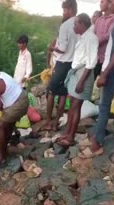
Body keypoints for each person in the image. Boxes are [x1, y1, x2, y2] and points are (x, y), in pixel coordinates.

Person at [79, 0, 114, 159]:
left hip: (113, 69)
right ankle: (97, 137)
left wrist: (104, 73)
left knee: (103, 107)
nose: (109, 3)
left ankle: (97, 145)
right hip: (111, 67)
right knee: (103, 105)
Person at [56, 14, 99, 146]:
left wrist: (81, 81)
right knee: (73, 105)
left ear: (82, 24)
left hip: (83, 74)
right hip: (77, 73)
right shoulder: (83, 37)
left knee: (75, 107)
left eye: (75, 24)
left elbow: (91, 62)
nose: (74, 26)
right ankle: (68, 133)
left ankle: (70, 137)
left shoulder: (91, 38)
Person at [0, 63, 29, 167]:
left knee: (1, 127)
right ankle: (5, 147)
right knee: (7, 123)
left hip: (19, 103)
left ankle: (1, 156)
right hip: (22, 99)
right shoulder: (2, 74)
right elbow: (5, 97)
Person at [44, 0, 78, 131]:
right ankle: (56, 122)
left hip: (63, 63)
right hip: (73, 64)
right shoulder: (80, 23)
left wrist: (52, 48)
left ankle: (48, 121)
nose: (63, 13)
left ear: (70, 9)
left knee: (51, 92)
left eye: (64, 10)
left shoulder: (66, 25)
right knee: (63, 93)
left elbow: (62, 49)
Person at [93, 0, 114, 81]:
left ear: (109, 3)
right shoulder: (99, 20)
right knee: (93, 83)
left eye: (102, 2)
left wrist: (95, 43)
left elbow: (108, 36)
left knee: (103, 83)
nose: (100, 4)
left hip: (107, 59)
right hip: (96, 57)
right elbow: (94, 34)